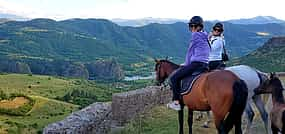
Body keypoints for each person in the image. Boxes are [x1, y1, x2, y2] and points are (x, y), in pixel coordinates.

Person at [167, 16, 210, 111]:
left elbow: (190, 52)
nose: (191, 28)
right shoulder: (205, 35)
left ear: (195, 26)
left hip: (196, 64)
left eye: (191, 26)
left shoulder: (195, 35)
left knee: (174, 78)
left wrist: (186, 64)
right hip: (205, 64)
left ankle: (176, 102)